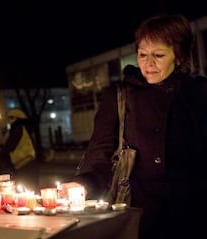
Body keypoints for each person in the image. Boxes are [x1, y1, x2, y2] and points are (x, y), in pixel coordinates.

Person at [62, 14, 207, 239]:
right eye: (142, 54)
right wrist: (85, 183)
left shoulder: (198, 93)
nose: (148, 64)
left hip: (193, 215)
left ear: (178, 56)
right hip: (141, 214)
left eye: (158, 55)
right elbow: (100, 151)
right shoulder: (120, 96)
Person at [0, 108, 39, 192]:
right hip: (28, 162)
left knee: (25, 190)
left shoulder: (18, 128)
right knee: (32, 189)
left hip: (24, 163)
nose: (9, 120)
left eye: (11, 118)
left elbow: (10, 145)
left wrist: (0, 154)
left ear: (17, 118)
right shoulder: (24, 128)